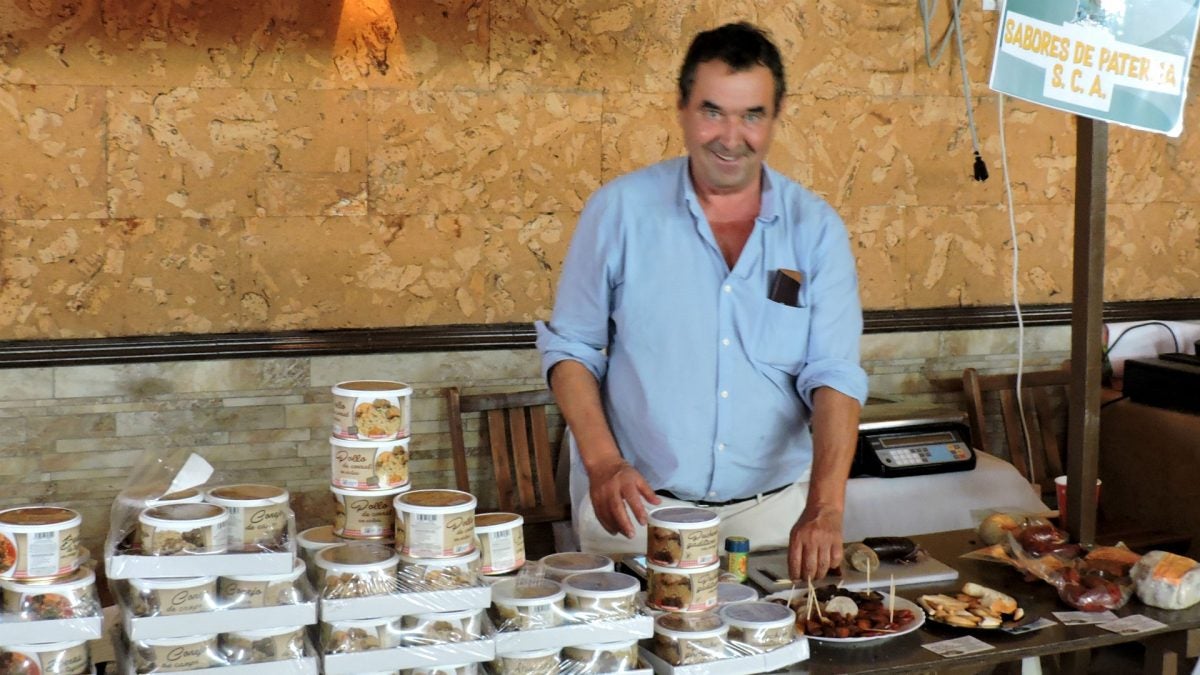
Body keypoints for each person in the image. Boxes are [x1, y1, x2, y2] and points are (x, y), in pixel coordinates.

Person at [535, 22, 867, 582]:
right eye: (713, 111)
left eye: (752, 115)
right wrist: (602, 462)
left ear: (776, 114)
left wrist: (825, 508)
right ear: (683, 109)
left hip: (773, 519)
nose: (731, 137)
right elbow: (572, 348)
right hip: (639, 511)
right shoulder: (618, 211)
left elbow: (833, 373)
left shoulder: (815, 231)